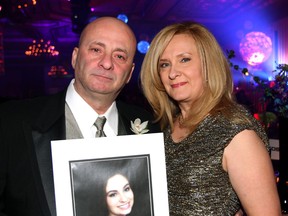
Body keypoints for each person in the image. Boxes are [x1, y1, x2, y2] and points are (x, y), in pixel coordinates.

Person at [0, 17, 160, 216]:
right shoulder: (11, 122)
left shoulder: (151, 128)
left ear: (130, 73)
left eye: (120, 56)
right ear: (75, 58)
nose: (107, 63)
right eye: (96, 50)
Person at [140, 21, 281, 215]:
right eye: (164, 64)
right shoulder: (165, 130)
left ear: (208, 65)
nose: (173, 73)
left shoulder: (235, 131)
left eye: (185, 60)